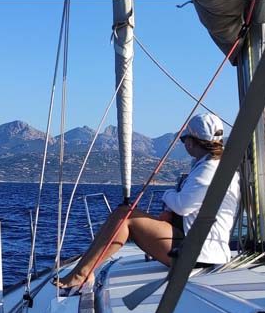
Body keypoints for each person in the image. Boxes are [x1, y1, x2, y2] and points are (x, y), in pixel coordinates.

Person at [57, 112, 239, 290]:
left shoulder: (209, 168)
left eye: (184, 140)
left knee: (125, 216)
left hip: (199, 253)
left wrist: (167, 194)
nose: (185, 144)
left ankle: (81, 274)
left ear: (191, 142)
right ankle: (84, 269)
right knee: (123, 212)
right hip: (202, 247)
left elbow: (183, 206)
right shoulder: (213, 165)